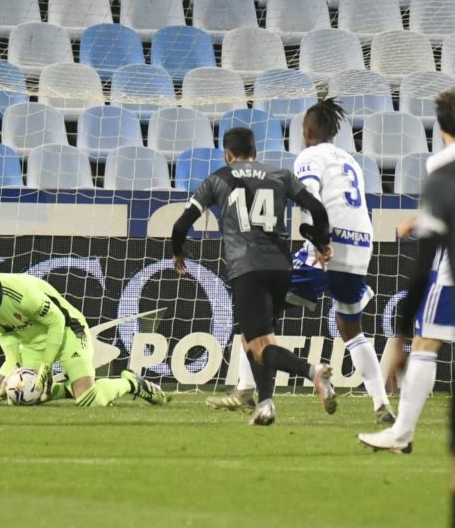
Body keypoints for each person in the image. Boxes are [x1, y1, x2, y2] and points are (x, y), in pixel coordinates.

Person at [207, 99, 395, 425]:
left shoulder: (309, 156)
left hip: (325, 248)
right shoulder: (350, 159)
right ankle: (382, 404)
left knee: (254, 309)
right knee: (351, 329)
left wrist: (319, 241)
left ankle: (246, 391)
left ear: (306, 130)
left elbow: (311, 198)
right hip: (361, 247)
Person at [172, 126, 337, 426]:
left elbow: (181, 225)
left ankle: (313, 372)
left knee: (261, 348)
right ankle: (265, 404)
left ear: (228, 153)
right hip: (281, 268)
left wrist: (178, 252)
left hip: (247, 269)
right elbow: (317, 208)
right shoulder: (280, 175)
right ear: (255, 152)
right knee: (254, 341)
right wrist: (323, 243)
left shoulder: (218, 178)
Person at [359, 89, 455, 454]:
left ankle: (401, 434)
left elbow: (428, 253)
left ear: (441, 127)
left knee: (424, 342)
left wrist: (398, 335)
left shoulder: (441, 168)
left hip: (450, 273)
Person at [0, 259, 168, 406]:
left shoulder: (24, 296)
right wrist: (6, 368)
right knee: (26, 397)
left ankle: (130, 382)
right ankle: (66, 389)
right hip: (33, 341)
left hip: (69, 331)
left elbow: (57, 322)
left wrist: (46, 367)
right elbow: (5, 331)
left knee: (88, 399)